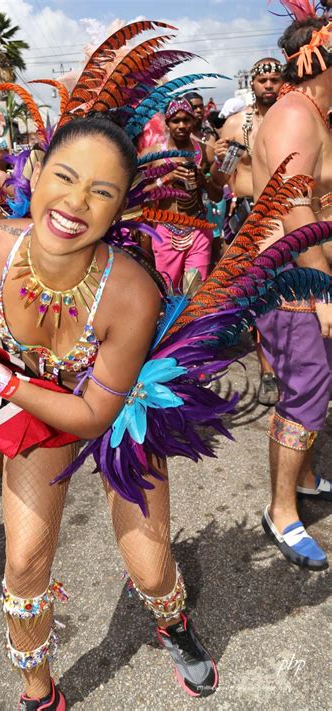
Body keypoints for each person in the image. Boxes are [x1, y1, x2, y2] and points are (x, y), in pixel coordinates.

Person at [0, 116, 220, 708]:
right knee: (24, 561)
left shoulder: (131, 294)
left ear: (120, 209)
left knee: (150, 570)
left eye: (101, 192)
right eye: (65, 177)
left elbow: (95, 415)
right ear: (36, 173)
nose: (77, 203)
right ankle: (38, 692)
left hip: (117, 413)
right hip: (34, 410)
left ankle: (173, 623)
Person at [252, 13, 332, 570]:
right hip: (295, 284)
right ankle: (281, 511)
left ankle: (301, 478)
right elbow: (291, 203)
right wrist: (323, 288)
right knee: (305, 394)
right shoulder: (294, 117)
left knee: (314, 387)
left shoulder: (313, 115)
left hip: (306, 276)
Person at [212, 58, 284, 405]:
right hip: (249, 215)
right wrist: (215, 160)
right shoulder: (235, 125)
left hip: (292, 212)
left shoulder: (296, 119)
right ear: (252, 85)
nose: (269, 85)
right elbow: (216, 185)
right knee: (260, 295)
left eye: (275, 79)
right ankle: (268, 369)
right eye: (263, 80)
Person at [140, 98, 222, 290]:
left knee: (194, 290)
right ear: (167, 123)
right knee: (169, 292)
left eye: (186, 120)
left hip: (199, 229)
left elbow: (217, 195)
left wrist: (204, 180)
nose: (182, 125)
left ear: (193, 121)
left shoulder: (204, 151)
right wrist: (165, 179)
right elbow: (138, 193)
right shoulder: (152, 155)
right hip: (166, 232)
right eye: (176, 121)